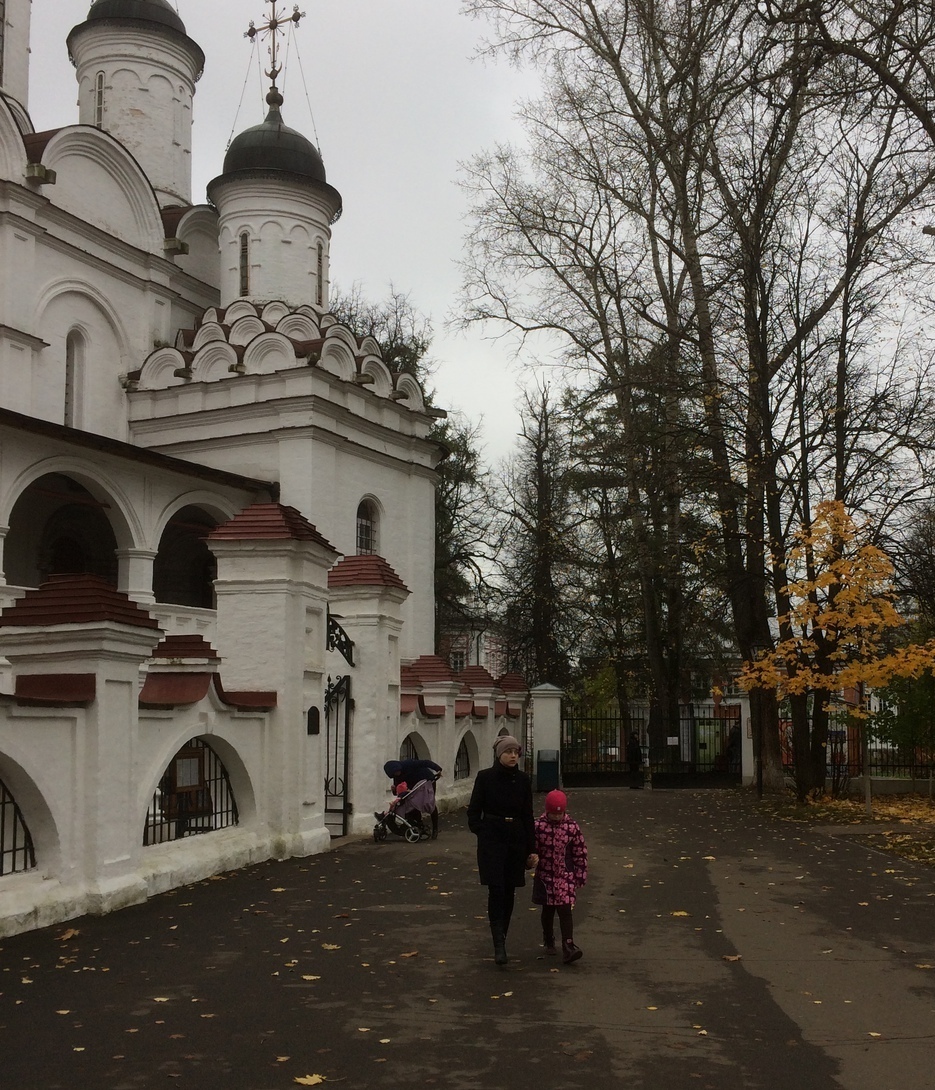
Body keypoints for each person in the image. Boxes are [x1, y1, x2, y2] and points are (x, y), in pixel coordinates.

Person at [467, 735, 537, 966]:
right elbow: (474, 811)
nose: (513, 756)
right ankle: (498, 943)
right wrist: (483, 831)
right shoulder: (485, 778)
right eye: (508, 752)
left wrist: (531, 847)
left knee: (509, 891)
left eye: (516, 752)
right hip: (492, 840)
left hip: (515, 839)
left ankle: (503, 938)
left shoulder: (524, 780)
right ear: (499, 754)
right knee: (496, 889)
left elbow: (528, 814)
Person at [533, 789, 588, 964]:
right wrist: (530, 859)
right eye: (553, 813)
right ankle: (549, 939)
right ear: (547, 811)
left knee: (565, 910)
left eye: (559, 813)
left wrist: (580, 873)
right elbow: (532, 848)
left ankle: (568, 945)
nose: (556, 817)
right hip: (545, 875)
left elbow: (579, 851)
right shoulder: (538, 826)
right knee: (548, 910)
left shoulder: (572, 827)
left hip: (565, 875)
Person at [383, 758, 442, 837]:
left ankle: (435, 828)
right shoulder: (397, 777)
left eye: (397, 772)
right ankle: (419, 825)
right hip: (413, 788)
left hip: (426, 781)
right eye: (394, 774)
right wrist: (394, 790)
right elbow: (399, 791)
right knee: (412, 805)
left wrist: (437, 769)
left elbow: (425, 762)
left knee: (429, 803)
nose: (397, 774)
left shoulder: (408, 764)